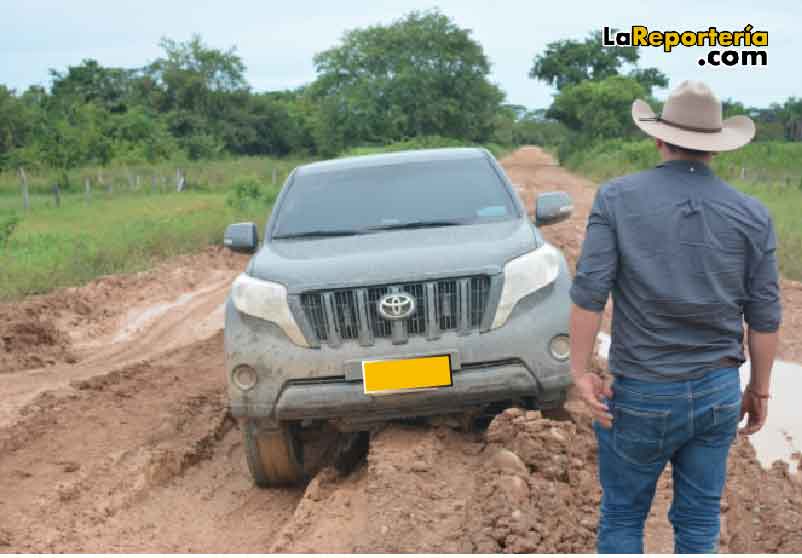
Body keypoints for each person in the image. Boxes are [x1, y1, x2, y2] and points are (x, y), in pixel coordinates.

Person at [569, 80, 781, 554]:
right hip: (717, 393)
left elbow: (589, 293)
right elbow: (765, 316)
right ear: (716, 148)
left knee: (623, 518)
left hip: (643, 389)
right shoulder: (753, 214)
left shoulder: (616, 199)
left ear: (658, 137)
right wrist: (759, 388)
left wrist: (580, 372)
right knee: (700, 520)